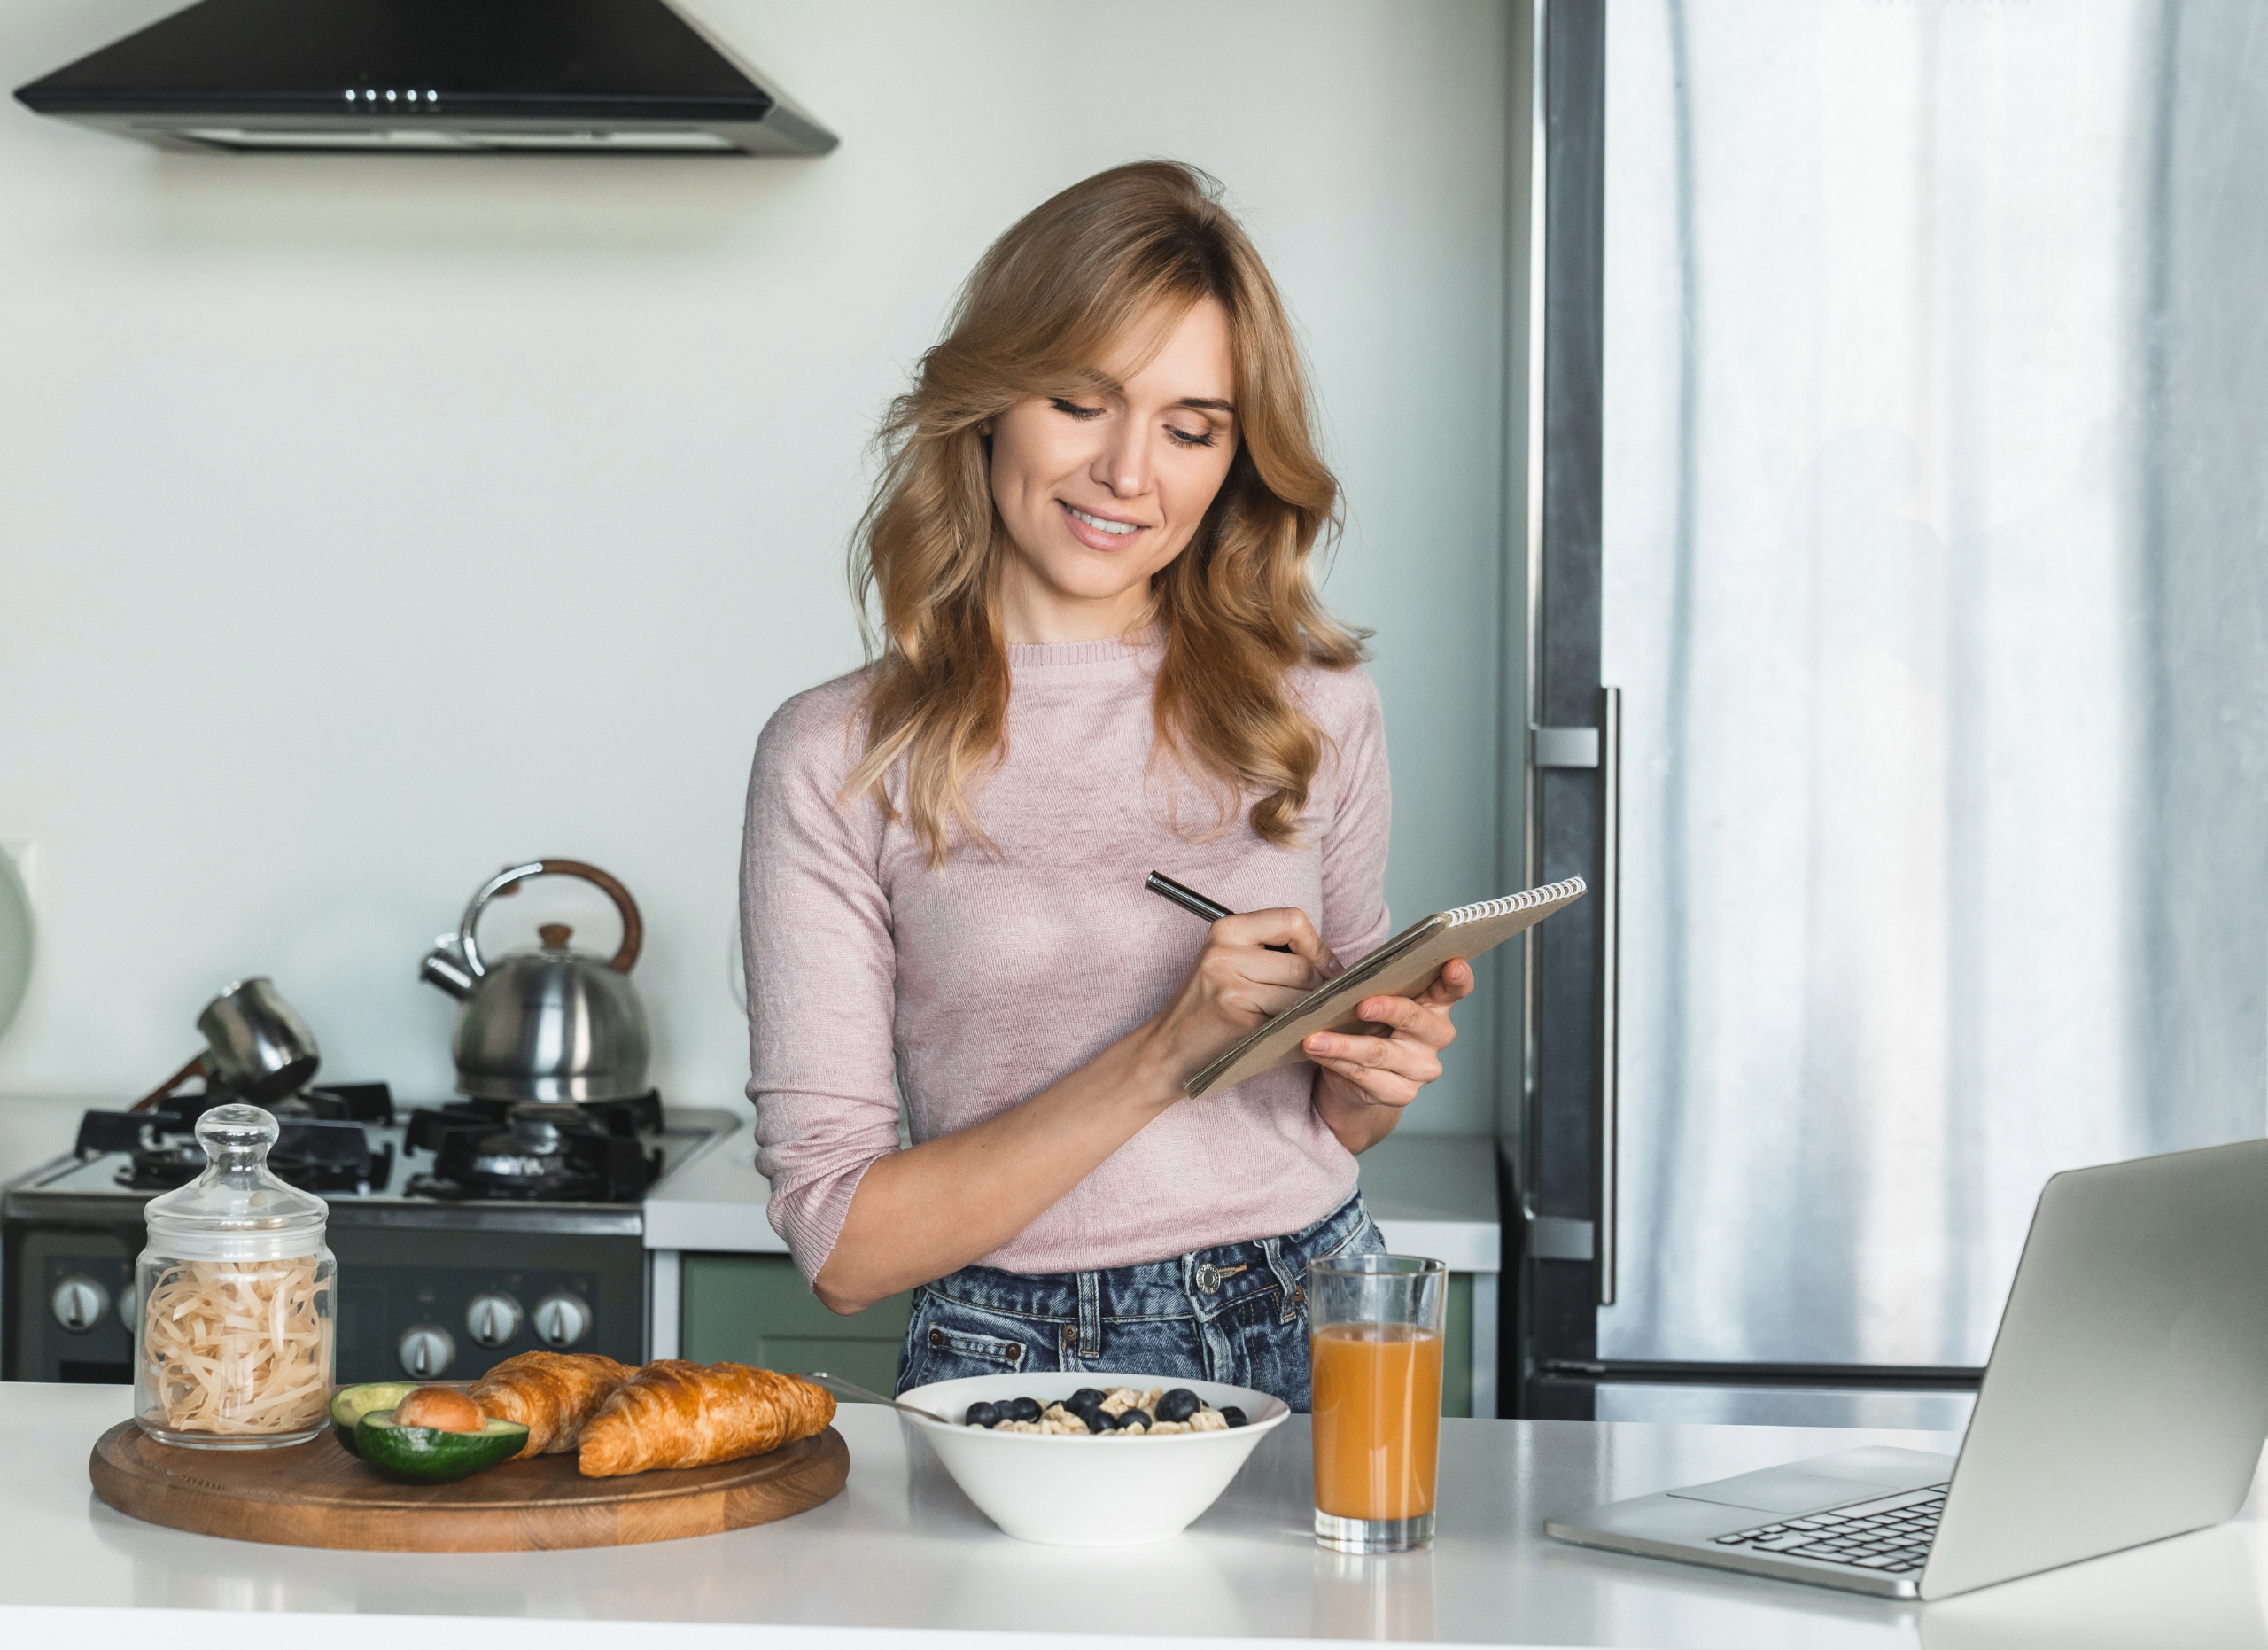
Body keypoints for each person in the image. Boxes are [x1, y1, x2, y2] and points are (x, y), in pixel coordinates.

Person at [742, 160, 1473, 1409]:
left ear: (1236, 460)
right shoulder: (839, 751)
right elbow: (847, 1248)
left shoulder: (1317, 709)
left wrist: (1370, 1079)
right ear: (989, 404)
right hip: (1016, 1356)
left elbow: (1330, 1123)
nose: (1133, 472)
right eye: (1083, 401)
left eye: (1192, 428)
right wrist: (1161, 1055)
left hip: (1321, 1313)